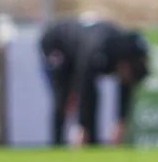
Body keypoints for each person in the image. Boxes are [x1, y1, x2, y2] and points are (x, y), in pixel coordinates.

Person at [39, 17, 149, 146]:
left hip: (82, 49)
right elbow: (85, 87)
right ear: (124, 64)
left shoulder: (123, 55)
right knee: (63, 95)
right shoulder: (97, 51)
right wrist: (82, 126)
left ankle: (92, 143)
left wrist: (120, 123)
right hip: (57, 43)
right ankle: (57, 142)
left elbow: (126, 85)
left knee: (93, 94)